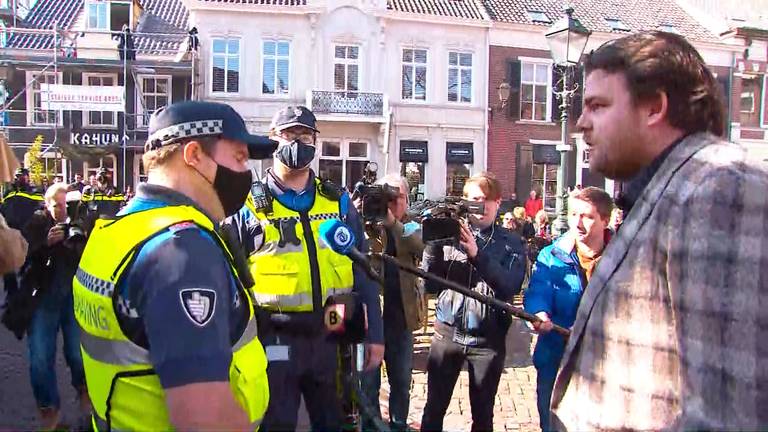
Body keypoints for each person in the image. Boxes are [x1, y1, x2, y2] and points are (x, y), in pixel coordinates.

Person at [551, 31, 768, 430]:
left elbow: (728, 414)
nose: (580, 122)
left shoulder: (719, 188)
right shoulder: (668, 188)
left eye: (597, 105)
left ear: (654, 106)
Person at [73, 101, 274, 430]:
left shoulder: (116, 231)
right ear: (194, 154)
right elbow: (205, 419)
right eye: (239, 157)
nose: (245, 173)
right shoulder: (181, 252)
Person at [223, 105, 384, 431]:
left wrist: (375, 335)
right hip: (274, 335)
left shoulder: (337, 202)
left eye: (305, 135)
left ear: (315, 141)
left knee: (332, 422)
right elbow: (228, 281)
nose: (298, 142)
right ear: (273, 140)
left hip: (331, 333)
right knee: (278, 422)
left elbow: (363, 272)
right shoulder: (249, 205)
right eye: (289, 135)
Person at [420, 172, 526, 432]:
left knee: (483, 415)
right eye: (474, 200)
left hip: (487, 340)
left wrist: (477, 255)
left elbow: (509, 285)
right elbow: (430, 285)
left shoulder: (510, 242)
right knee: (434, 409)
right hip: (448, 333)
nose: (481, 207)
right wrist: (433, 246)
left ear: (498, 202)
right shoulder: (450, 235)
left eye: (486, 200)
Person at [523, 187, 613, 431]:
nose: (578, 223)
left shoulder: (622, 258)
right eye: (574, 215)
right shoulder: (550, 256)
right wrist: (539, 313)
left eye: (587, 216)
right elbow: (538, 292)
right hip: (556, 358)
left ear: (605, 220)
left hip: (606, 362)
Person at [21, 183, 90, 429]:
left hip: (71, 297)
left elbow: (90, 258)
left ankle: (84, 393)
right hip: (43, 299)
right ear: (46, 205)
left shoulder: (79, 223)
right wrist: (44, 245)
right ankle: (49, 410)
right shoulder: (37, 224)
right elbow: (21, 258)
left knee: (77, 353)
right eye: (56, 206)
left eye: (65, 206)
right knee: (40, 358)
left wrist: (77, 237)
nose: (61, 211)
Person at [360, 174, 425, 431]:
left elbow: (419, 244)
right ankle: (372, 426)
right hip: (371, 318)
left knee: (401, 380)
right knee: (368, 381)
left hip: (401, 317)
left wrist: (391, 222)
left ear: (407, 200)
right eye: (385, 196)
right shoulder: (367, 225)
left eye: (395, 197)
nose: (390, 203)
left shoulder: (412, 225)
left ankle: (398, 425)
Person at [1, 168, 43, 296]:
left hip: (27, 232)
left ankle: (28, 292)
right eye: (17, 176)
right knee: (8, 263)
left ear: (27, 177)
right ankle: (11, 293)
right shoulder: (8, 193)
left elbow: (41, 209)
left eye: (22, 176)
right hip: (10, 232)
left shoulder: (34, 192)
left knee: (27, 263)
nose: (19, 178)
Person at [77, 168, 124, 234]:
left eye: (104, 175)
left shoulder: (117, 192)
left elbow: (123, 209)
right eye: (100, 175)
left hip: (110, 228)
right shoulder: (89, 192)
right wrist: (84, 225)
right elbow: (81, 209)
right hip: (92, 228)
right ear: (96, 177)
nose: (102, 178)